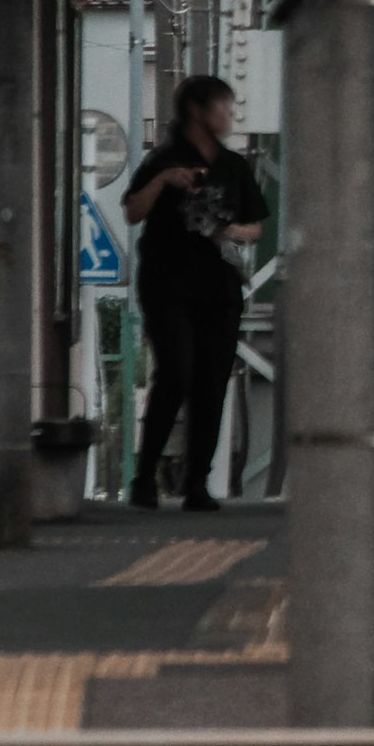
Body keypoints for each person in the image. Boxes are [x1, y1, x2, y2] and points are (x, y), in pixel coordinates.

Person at [120, 74, 265, 510]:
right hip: (167, 284)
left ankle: (196, 483)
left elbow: (256, 225)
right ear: (197, 112)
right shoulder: (163, 160)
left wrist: (231, 231)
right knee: (176, 372)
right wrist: (165, 180)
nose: (229, 115)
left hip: (219, 288)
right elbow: (132, 211)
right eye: (223, 106)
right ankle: (145, 478)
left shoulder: (234, 166)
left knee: (211, 383)